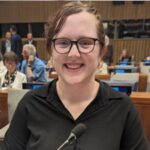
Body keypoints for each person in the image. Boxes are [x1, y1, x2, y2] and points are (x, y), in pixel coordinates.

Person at [0, 2, 149, 150]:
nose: (73, 54)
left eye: (85, 43)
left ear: (101, 52)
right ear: (50, 51)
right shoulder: (30, 104)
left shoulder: (123, 108)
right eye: (63, 43)